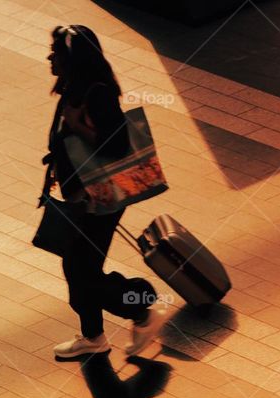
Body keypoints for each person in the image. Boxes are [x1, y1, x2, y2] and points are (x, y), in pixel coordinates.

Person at [45, 24, 166, 361]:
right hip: (82, 199)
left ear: (73, 58)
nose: (49, 57)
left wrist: (76, 124)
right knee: (78, 268)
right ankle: (93, 337)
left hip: (100, 201)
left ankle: (141, 306)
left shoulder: (97, 92)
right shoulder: (75, 89)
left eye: (56, 52)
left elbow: (116, 146)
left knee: (82, 271)